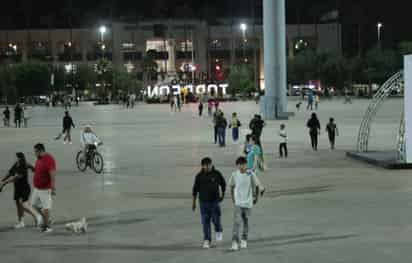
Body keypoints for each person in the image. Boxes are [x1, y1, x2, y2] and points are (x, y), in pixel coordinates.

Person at [229, 157, 263, 251]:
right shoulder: (234, 174)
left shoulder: (250, 173)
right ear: (237, 165)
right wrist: (233, 198)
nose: (241, 166)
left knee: (245, 222)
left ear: (246, 164)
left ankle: (244, 239)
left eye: (243, 164)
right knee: (236, 222)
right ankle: (235, 242)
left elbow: (256, 185)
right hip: (238, 203)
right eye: (239, 164)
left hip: (248, 203)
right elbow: (231, 186)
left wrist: (256, 197)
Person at [0, 153, 42, 229]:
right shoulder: (16, 164)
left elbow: (15, 178)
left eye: (15, 157)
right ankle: (21, 222)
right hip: (17, 188)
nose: (14, 158)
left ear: (19, 158)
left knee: (24, 204)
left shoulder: (23, 166)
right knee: (18, 205)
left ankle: (37, 216)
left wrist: (4, 183)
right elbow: (9, 173)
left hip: (25, 188)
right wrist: (2, 180)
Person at [192, 157, 226, 249]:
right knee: (205, 222)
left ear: (211, 164)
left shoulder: (217, 174)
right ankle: (207, 240)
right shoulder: (199, 176)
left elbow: (223, 184)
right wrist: (194, 203)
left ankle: (218, 230)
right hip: (203, 203)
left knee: (216, 219)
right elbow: (195, 190)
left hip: (215, 202)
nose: (207, 167)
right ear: (202, 166)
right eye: (205, 166)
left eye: (209, 165)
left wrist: (222, 194)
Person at [31, 143, 56, 233]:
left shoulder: (49, 159)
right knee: (34, 205)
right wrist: (31, 167)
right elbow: (38, 170)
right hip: (37, 188)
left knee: (46, 208)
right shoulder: (39, 159)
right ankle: (47, 219)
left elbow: (52, 174)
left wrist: (53, 187)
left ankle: (47, 227)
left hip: (45, 189)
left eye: (35, 152)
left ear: (40, 150)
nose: (34, 153)